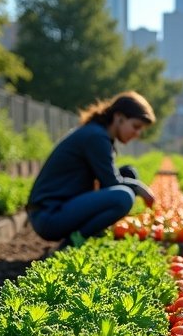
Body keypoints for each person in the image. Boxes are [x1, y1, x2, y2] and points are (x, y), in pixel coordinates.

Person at [25, 90, 156, 244]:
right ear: (119, 117)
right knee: (124, 196)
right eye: (136, 126)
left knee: (129, 173)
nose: (137, 133)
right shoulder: (96, 137)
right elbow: (111, 183)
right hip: (49, 215)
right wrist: (140, 189)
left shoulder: (97, 133)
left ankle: (94, 233)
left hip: (58, 210)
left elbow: (109, 179)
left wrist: (134, 185)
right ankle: (72, 243)